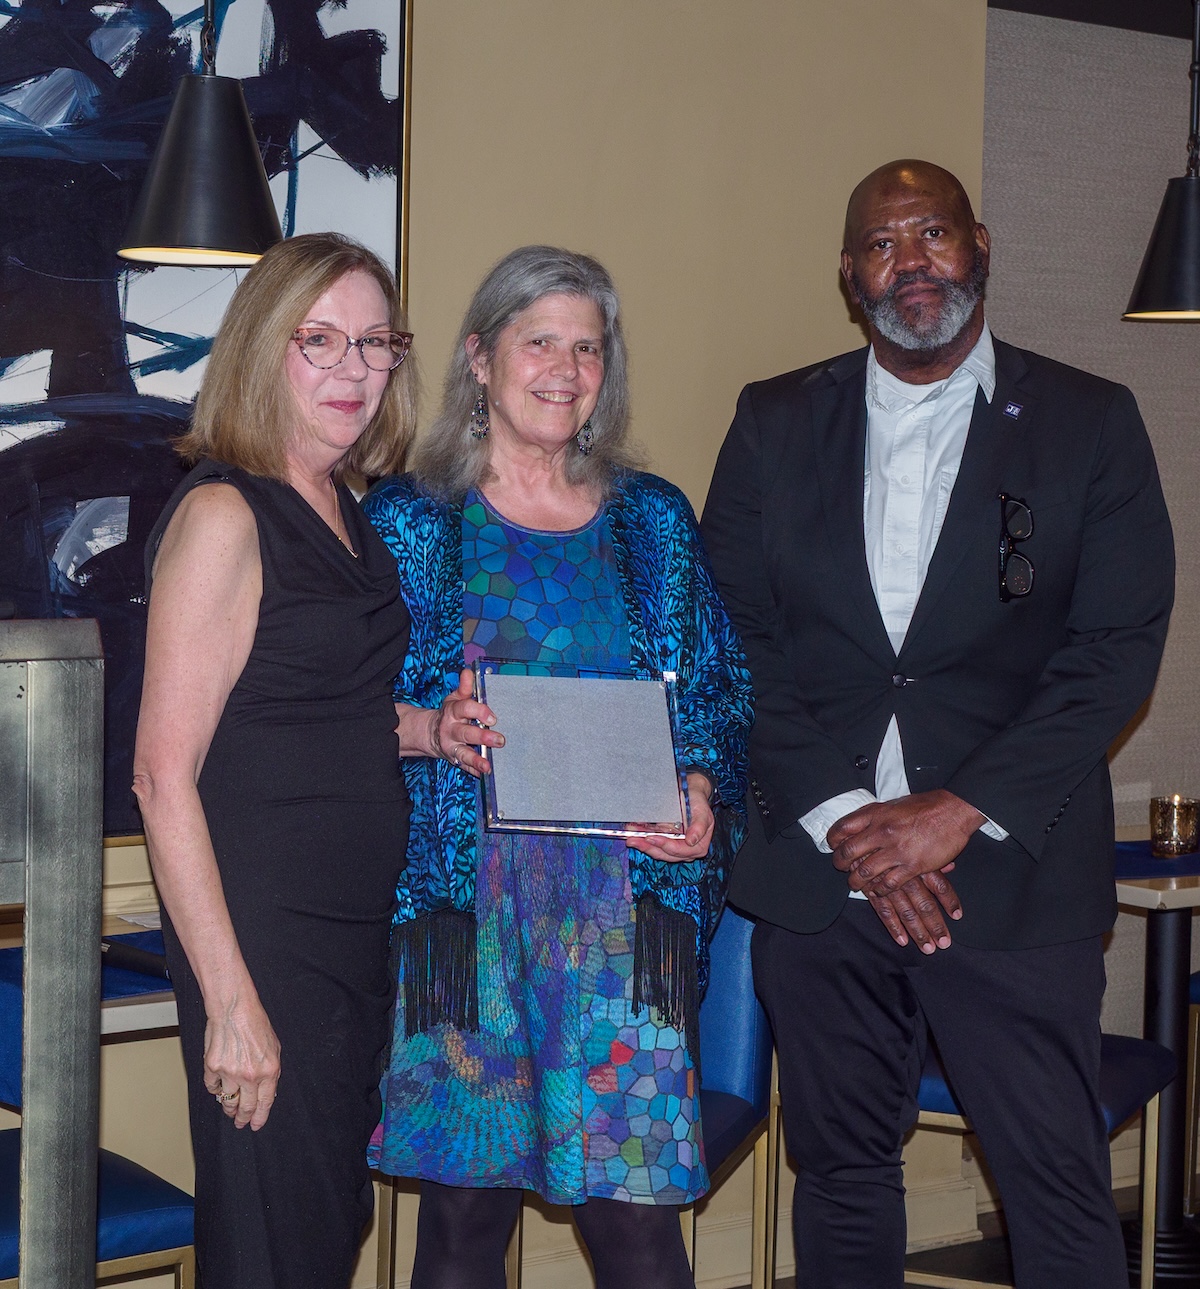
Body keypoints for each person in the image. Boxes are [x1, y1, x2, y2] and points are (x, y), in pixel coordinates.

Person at [700, 160, 1175, 1288]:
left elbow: (1115, 647)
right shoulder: (774, 419)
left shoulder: (1090, 420)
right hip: (823, 880)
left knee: (1055, 1186)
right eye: (881, 243)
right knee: (840, 1175)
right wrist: (849, 818)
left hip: (1010, 879)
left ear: (980, 246)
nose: (910, 262)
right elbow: (732, 633)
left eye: (932, 233)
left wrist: (958, 810)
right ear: (849, 275)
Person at [363, 245, 753, 1289]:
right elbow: (332, 706)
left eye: (588, 347)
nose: (567, 369)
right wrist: (428, 724)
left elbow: (715, 690)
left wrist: (700, 789)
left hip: (622, 917)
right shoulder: (409, 520)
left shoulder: (652, 519)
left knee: (638, 1228)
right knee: (462, 1223)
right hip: (467, 922)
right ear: (480, 357)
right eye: (541, 340)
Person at [133, 232, 418, 1289]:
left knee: (319, 1230)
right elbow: (163, 773)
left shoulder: (341, 506)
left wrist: (430, 730)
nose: (354, 368)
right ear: (263, 349)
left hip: (348, 934)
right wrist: (231, 1001)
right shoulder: (225, 512)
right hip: (266, 940)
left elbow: (314, 711)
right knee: (273, 1245)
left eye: (375, 342)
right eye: (320, 340)